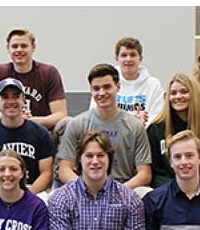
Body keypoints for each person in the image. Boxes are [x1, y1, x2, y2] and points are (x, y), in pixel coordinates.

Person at [57, 64, 152, 192]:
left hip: (123, 188)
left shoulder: (135, 126)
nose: (101, 93)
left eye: (107, 87)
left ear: (118, 87)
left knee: (145, 192)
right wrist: (86, 188)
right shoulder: (77, 124)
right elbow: (64, 170)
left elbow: (145, 174)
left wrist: (117, 191)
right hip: (85, 187)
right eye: (96, 88)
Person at [0, 28, 69, 144]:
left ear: (33, 47)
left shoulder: (49, 72)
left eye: (24, 46)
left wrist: (32, 121)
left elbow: (61, 114)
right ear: (8, 49)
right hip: (6, 127)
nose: (19, 50)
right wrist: (12, 118)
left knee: (67, 122)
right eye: (14, 46)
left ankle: (63, 162)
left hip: (40, 130)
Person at [0, 78, 55, 197]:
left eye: (16, 96)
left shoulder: (40, 133)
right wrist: (0, 195)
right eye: (5, 97)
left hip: (32, 190)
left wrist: (26, 195)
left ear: (23, 99)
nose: (11, 101)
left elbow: (46, 173)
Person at [146, 73, 200, 189]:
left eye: (184, 91)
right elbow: (157, 172)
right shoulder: (156, 128)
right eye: (173, 93)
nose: (178, 96)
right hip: (169, 193)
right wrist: (178, 192)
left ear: (194, 94)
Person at [88, 36, 164, 125]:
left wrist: (138, 125)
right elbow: (95, 115)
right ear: (117, 59)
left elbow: (157, 117)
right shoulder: (106, 82)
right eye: (124, 55)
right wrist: (132, 121)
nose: (128, 59)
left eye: (133, 55)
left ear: (140, 58)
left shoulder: (153, 85)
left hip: (143, 134)